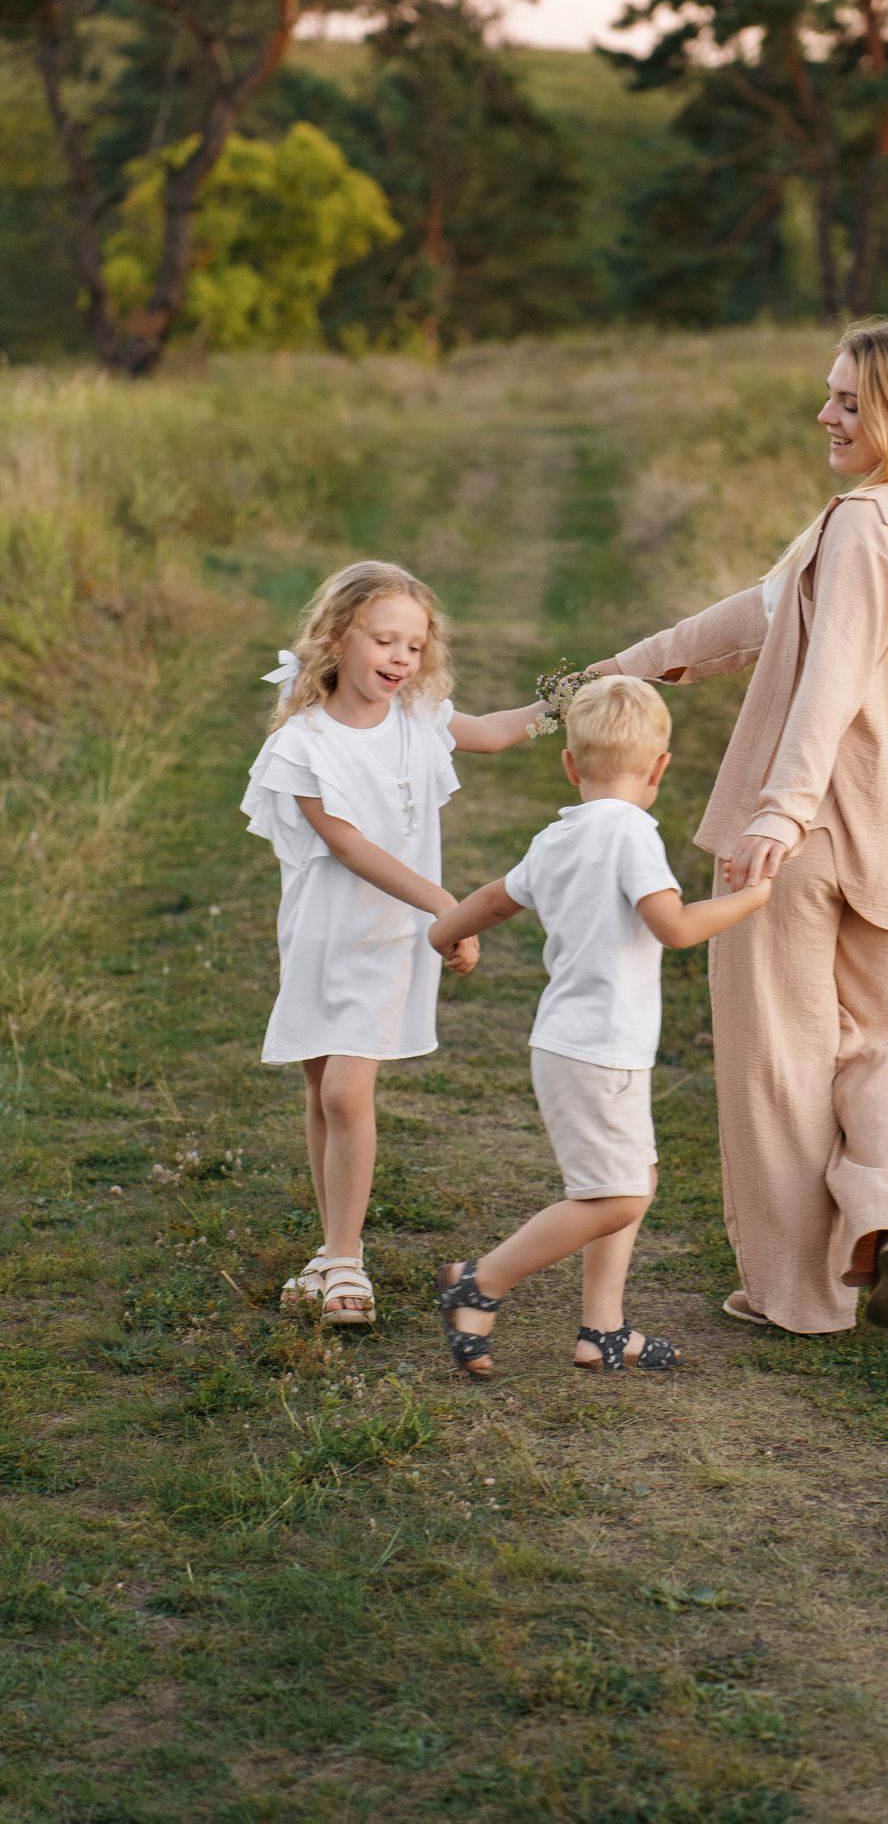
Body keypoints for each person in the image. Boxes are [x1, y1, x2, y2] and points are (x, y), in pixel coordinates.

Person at [597, 320, 888, 1336]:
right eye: (831, 395)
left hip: (803, 838)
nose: (827, 415)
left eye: (849, 401)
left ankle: (798, 1295)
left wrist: (779, 810)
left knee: (779, 1061)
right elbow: (768, 614)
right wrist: (633, 664)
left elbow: (830, 677)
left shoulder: (856, 522)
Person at [426, 675, 771, 1377]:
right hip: (598, 1048)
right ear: (659, 769)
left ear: (569, 765)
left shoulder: (558, 835)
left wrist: (444, 932)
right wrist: (752, 898)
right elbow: (673, 927)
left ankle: (603, 1329)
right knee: (614, 1195)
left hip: (577, 1042)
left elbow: (496, 898)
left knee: (631, 1178)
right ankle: (480, 1281)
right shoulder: (632, 834)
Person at [242, 559, 545, 1328]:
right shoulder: (302, 744)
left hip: (392, 935)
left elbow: (498, 733)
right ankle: (330, 1249)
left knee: (347, 1091)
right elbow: (349, 848)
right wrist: (447, 908)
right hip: (321, 933)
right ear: (339, 637)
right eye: (385, 641)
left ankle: (346, 1263)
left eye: (414, 646)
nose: (400, 660)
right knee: (321, 1089)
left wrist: (581, 695)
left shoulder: (418, 716)